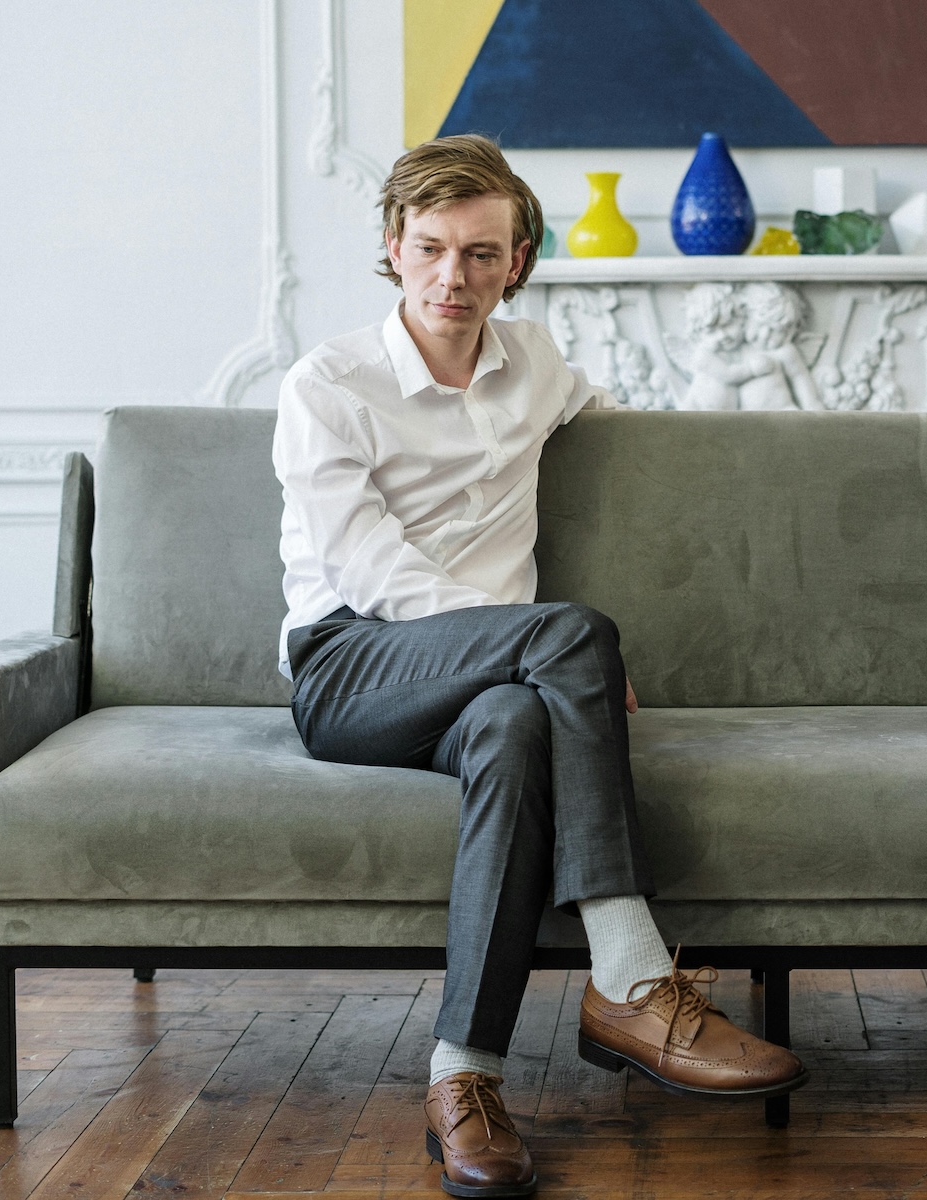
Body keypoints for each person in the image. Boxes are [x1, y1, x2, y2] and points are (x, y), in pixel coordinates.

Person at [273, 134, 805, 1199]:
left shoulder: (536, 365)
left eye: (481, 254)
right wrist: (542, 644)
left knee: (519, 725)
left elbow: (620, 431)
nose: (452, 277)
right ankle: (633, 978)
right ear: (394, 246)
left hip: (502, 687)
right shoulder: (328, 383)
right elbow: (370, 572)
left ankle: (461, 1077)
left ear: (516, 260)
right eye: (431, 249)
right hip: (351, 666)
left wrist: (738, 465)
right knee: (568, 639)